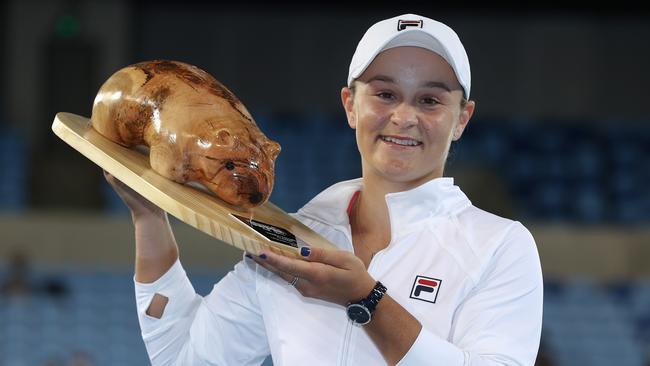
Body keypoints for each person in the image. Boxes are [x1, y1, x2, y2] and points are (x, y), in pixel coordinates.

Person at [104, 13, 543, 365]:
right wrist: (149, 217)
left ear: (461, 118)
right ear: (351, 105)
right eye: (385, 94)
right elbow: (185, 358)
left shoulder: (499, 246)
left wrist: (366, 299)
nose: (405, 117)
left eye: (430, 100)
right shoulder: (295, 239)